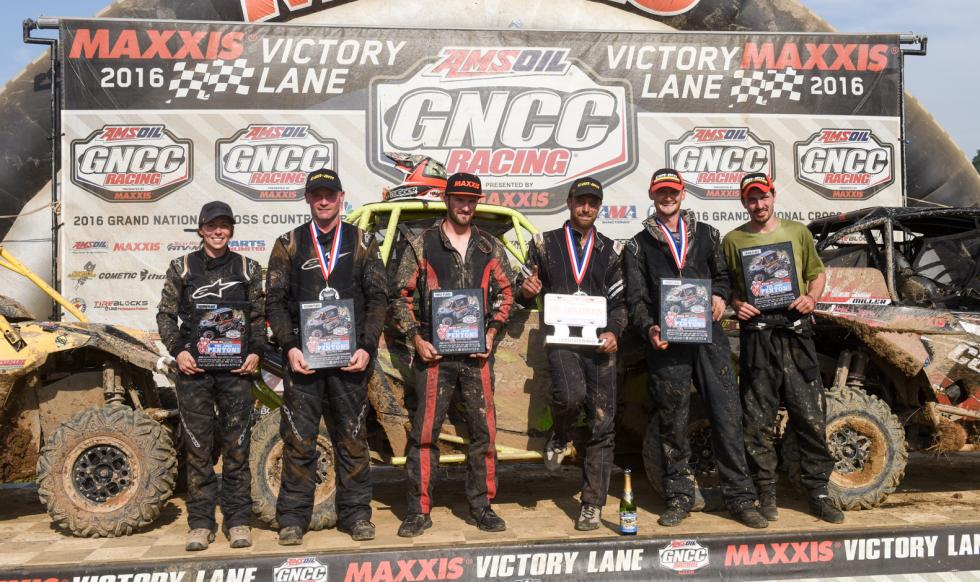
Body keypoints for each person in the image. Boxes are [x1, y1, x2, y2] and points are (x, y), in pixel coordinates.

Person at [623, 169, 768, 529]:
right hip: (667, 342)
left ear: (683, 193)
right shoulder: (637, 244)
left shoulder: (707, 234)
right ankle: (679, 496)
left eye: (673, 192)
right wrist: (648, 328)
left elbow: (722, 276)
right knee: (672, 420)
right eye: (661, 192)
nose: (667, 198)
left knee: (726, 414)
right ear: (652, 194)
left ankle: (741, 497)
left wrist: (719, 296)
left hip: (709, 338)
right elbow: (636, 299)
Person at [265, 168, 388, 545]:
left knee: (351, 439)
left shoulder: (364, 242)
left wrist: (367, 348)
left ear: (340, 197)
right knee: (299, 439)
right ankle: (292, 519)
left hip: (351, 361)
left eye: (329, 194)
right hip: (304, 362)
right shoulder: (287, 244)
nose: (323, 200)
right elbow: (274, 301)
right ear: (307, 199)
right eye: (316, 194)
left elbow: (379, 299)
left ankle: (356, 516)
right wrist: (290, 346)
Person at [390, 172, 515, 537]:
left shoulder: (490, 246)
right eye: (459, 199)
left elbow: (507, 294)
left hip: (477, 355)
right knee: (425, 433)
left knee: (484, 434)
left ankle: (482, 506)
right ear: (448, 200)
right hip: (434, 355)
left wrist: (492, 332)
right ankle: (418, 510)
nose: (465, 206)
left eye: (471, 200)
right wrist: (416, 338)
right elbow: (400, 295)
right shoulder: (422, 243)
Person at [722, 172, 844, 524]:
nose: (758, 205)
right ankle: (766, 490)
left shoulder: (797, 233)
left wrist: (811, 297)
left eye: (763, 197)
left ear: (773, 195)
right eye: (751, 199)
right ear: (744, 202)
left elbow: (817, 273)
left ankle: (818, 491)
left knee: (809, 415)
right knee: (756, 419)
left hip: (795, 332)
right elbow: (729, 285)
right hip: (757, 335)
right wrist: (736, 303)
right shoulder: (733, 240)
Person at [517, 177, 626, 531]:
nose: (586, 208)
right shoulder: (543, 244)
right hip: (562, 341)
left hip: (599, 346)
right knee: (570, 397)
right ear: (569, 202)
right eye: (581, 201)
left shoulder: (611, 250)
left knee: (602, 424)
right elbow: (522, 287)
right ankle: (561, 435)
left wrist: (615, 331)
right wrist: (525, 289)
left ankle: (592, 504)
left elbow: (621, 302)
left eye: (593, 202)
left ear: (599, 206)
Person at [156, 201, 265, 551]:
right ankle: (201, 524)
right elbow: (165, 315)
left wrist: (256, 353)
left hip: (236, 372)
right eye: (212, 225)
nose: (218, 231)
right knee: (198, 449)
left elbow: (261, 318)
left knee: (237, 448)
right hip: (195, 371)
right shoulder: (182, 267)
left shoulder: (249, 268)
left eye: (224, 226)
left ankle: (238, 521)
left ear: (231, 230)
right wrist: (179, 352)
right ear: (201, 229)